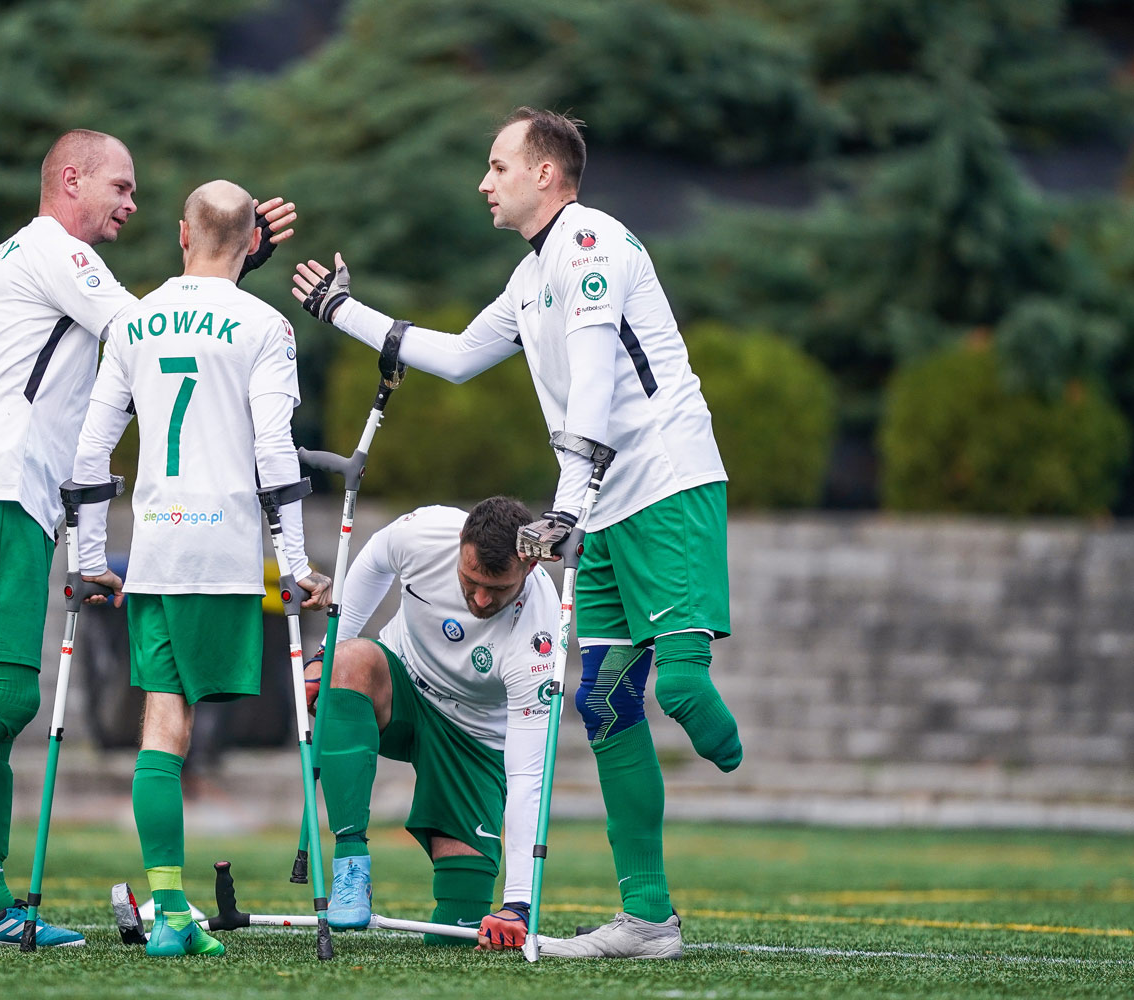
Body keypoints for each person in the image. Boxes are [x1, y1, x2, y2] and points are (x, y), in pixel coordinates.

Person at [291, 108, 743, 959]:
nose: (483, 182)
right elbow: (461, 356)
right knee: (605, 703)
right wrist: (342, 311)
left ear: (546, 173)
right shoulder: (531, 275)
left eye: (497, 166)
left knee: (680, 688)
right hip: (600, 509)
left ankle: (724, 749)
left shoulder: (592, 243)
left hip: (668, 486)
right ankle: (649, 920)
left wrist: (565, 504)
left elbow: (599, 376)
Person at [0, 130, 296, 948]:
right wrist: (230, 271)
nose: (131, 203)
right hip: (4, 490)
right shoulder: (61, 251)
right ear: (70, 179)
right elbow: (157, 336)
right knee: (11, 697)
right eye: (120, 188)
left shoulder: (4, 257)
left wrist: (226, 263)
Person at [72, 179, 331, 958]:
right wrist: (297, 566)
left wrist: (89, 564)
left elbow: (91, 455)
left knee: (163, 724)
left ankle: (171, 912)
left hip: (155, 552)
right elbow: (275, 455)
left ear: (182, 235)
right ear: (254, 243)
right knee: (190, 727)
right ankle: (177, 914)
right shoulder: (268, 326)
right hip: (223, 556)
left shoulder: (134, 321)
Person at [305, 498, 561, 951]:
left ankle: (461, 902)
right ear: (459, 547)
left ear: (529, 565)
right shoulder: (426, 532)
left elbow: (528, 775)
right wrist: (326, 654)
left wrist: (518, 903)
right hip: (400, 682)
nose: (481, 600)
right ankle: (350, 863)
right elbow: (374, 560)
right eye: (471, 581)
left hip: (475, 736)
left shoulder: (541, 636)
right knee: (346, 662)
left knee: (460, 929)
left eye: (497, 590)